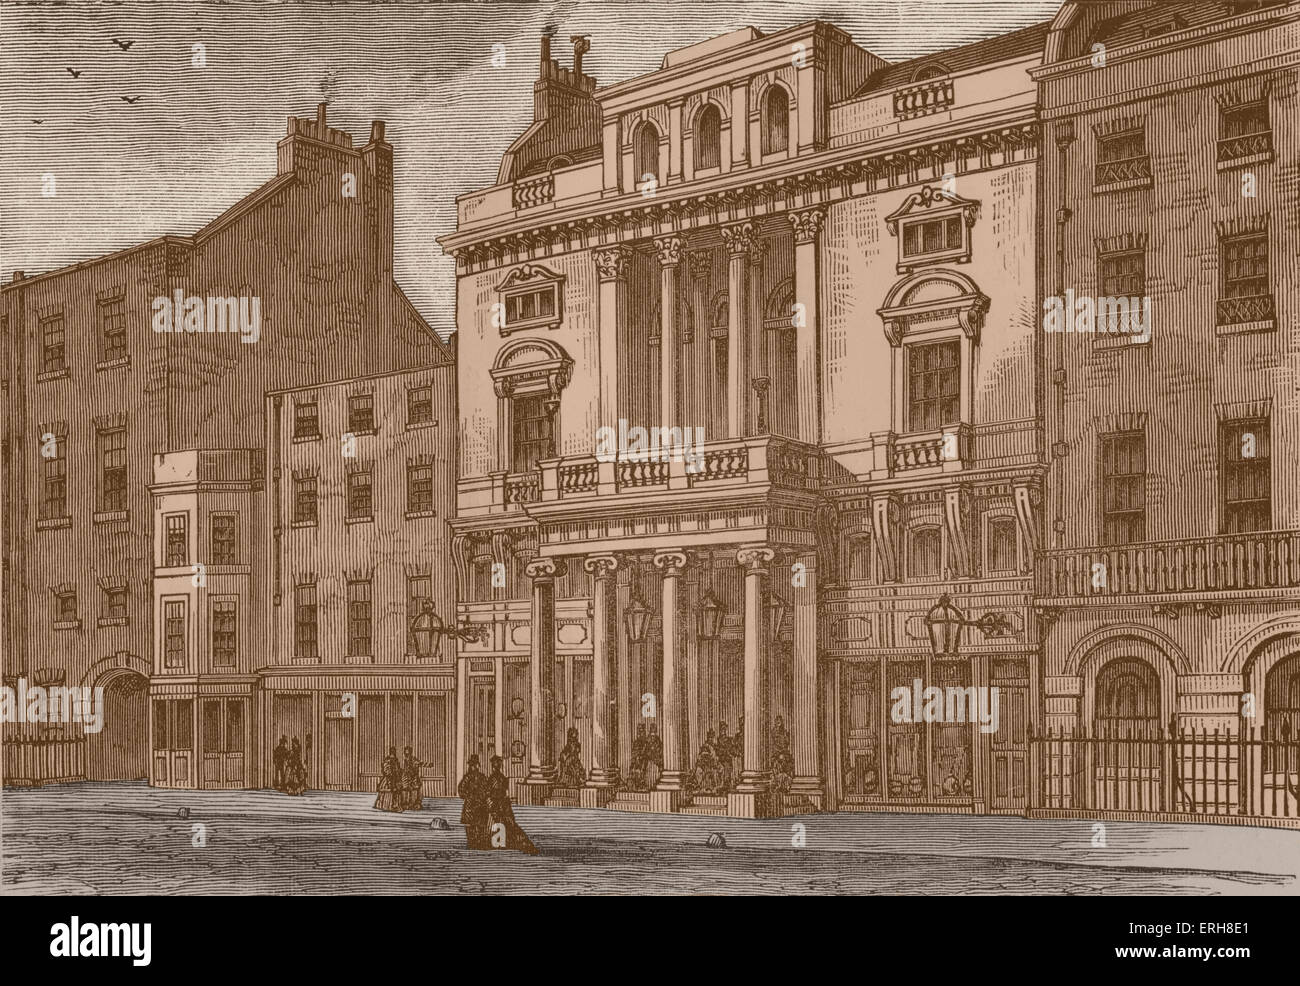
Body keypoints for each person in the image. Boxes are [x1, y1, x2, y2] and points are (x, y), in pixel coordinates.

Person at [486, 755, 539, 855]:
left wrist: (490, 801)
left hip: (497, 804)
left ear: (493, 766)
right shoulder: (502, 777)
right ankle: (522, 844)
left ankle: (501, 843)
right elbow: (502, 790)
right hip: (504, 803)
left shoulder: (492, 778)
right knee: (509, 824)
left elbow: (490, 792)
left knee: (500, 823)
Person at [457, 755, 490, 849]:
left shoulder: (482, 777)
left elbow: (487, 790)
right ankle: (473, 843)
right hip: (471, 805)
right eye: (472, 765)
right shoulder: (468, 778)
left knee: (480, 825)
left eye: (475, 765)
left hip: (479, 805)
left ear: (478, 765)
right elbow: (461, 791)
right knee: (471, 826)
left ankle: (479, 843)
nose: (474, 767)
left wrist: (482, 797)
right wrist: (469, 796)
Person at [770, 716, 795, 794]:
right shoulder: (773, 733)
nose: (778, 723)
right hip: (777, 754)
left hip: (783, 754)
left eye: (780, 721)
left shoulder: (785, 732)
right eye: (777, 722)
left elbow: (786, 742)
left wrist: (783, 753)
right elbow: (774, 744)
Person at [374, 747, 403, 811]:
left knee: (396, 791)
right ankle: (389, 806)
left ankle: (394, 806)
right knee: (390, 791)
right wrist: (390, 775)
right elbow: (386, 769)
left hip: (395, 778)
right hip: (389, 778)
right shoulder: (388, 760)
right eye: (393, 752)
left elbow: (397, 769)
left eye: (394, 752)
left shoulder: (395, 760)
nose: (393, 754)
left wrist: (398, 773)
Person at [401, 746, 426, 811]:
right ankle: (406, 804)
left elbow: (421, 763)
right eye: (406, 754)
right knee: (405, 791)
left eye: (408, 753)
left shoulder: (414, 760)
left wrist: (427, 764)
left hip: (414, 778)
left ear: (410, 753)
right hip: (406, 778)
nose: (407, 755)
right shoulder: (404, 760)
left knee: (414, 791)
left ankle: (414, 805)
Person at [694, 729, 719, 794]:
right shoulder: (705, 746)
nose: (711, 739)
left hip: (713, 765)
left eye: (712, 737)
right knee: (701, 772)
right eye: (709, 737)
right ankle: (703, 787)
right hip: (705, 765)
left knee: (717, 771)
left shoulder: (715, 746)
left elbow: (716, 757)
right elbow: (702, 756)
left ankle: (714, 787)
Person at [628, 723, 649, 791]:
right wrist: (635, 758)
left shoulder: (646, 743)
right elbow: (634, 753)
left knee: (642, 772)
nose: (640, 733)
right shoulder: (636, 742)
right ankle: (635, 785)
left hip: (643, 761)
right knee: (635, 772)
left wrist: (641, 756)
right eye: (639, 731)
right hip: (636, 761)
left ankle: (641, 785)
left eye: (642, 731)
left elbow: (646, 753)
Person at [644, 723, 664, 789]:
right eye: (652, 729)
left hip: (656, 762)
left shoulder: (658, 740)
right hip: (649, 762)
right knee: (649, 776)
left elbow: (660, 751)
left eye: (654, 729)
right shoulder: (647, 740)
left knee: (655, 775)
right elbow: (645, 750)